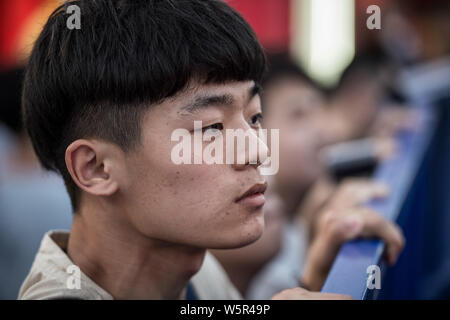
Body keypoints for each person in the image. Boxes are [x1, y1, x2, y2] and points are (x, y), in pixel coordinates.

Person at [18, 0, 402, 300]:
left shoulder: (191, 264)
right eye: (211, 128)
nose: (257, 151)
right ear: (96, 168)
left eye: (255, 118)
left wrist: (314, 278)